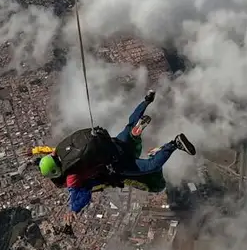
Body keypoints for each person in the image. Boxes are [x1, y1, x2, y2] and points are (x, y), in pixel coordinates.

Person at [36, 90, 195, 214]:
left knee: (151, 166)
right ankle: (146, 101)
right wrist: (35, 151)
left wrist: (73, 210)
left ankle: (174, 144)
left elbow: (80, 196)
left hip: (117, 163)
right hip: (113, 142)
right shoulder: (61, 150)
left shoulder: (71, 176)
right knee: (129, 126)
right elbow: (47, 150)